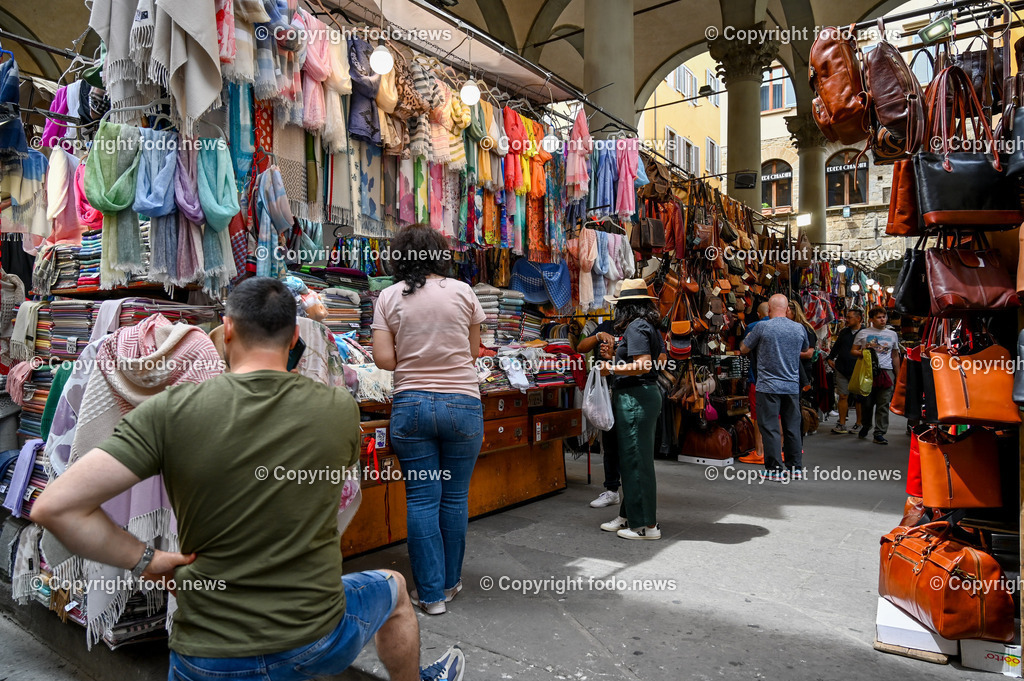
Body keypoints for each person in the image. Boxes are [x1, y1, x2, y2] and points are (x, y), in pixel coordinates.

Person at [32, 277, 464, 681]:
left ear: (227, 329)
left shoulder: (169, 412)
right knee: (394, 589)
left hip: (204, 656)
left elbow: (55, 507)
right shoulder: (339, 409)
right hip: (313, 638)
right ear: (295, 337)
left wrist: (148, 560)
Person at [372, 223, 486, 616]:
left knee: (422, 499)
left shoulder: (388, 296)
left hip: (411, 406)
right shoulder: (463, 292)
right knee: (454, 498)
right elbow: (472, 352)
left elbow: (384, 360)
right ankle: (451, 583)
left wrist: (415, 357)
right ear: (440, 253)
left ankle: (430, 596)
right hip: (462, 404)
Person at [595, 279, 664, 540]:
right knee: (633, 460)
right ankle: (629, 515)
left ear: (624, 307)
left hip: (635, 397)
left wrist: (611, 368)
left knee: (636, 461)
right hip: (640, 396)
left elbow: (644, 365)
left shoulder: (636, 327)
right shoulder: (648, 326)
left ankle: (646, 526)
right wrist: (615, 357)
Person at [740, 294, 813, 480]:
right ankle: (795, 467)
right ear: (787, 308)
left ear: (770, 309)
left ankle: (775, 469)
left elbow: (744, 349)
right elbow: (805, 349)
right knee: (792, 427)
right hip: (791, 385)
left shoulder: (762, 327)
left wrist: (750, 339)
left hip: (768, 386)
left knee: (770, 426)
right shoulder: (799, 328)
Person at [576, 320, 620, 508]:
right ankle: (612, 490)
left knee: (629, 444)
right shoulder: (607, 326)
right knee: (609, 441)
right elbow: (581, 347)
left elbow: (653, 360)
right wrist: (598, 336)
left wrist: (614, 357)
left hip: (628, 387)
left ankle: (631, 490)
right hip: (607, 390)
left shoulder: (640, 327)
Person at [852, 306, 901, 445]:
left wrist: (898, 375)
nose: (882, 319)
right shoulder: (863, 333)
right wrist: (864, 352)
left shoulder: (892, 334)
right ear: (872, 319)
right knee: (867, 404)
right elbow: (853, 351)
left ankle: (879, 433)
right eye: (879, 317)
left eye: (884, 317)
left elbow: (895, 355)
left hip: (886, 371)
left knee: (883, 403)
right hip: (868, 372)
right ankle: (866, 425)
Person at [827, 308, 864, 434]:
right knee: (843, 395)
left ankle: (859, 423)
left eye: (849, 317)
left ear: (858, 318)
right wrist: (830, 358)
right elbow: (837, 346)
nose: (846, 320)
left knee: (859, 398)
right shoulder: (844, 332)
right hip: (842, 367)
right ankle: (841, 423)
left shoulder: (865, 333)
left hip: (859, 369)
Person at [741, 302, 771, 461]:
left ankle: (759, 452)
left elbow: (744, 349)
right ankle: (778, 450)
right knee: (777, 415)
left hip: (758, 377)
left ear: (759, 314)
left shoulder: (754, 326)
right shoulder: (790, 326)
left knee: (757, 415)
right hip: (780, 380)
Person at [787, 300, 818, 396]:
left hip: (803, 368)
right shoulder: (788, 328)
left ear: (792, 312)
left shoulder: (806, 329)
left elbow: (809, 354)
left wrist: (788, 354)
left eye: (786, 312)